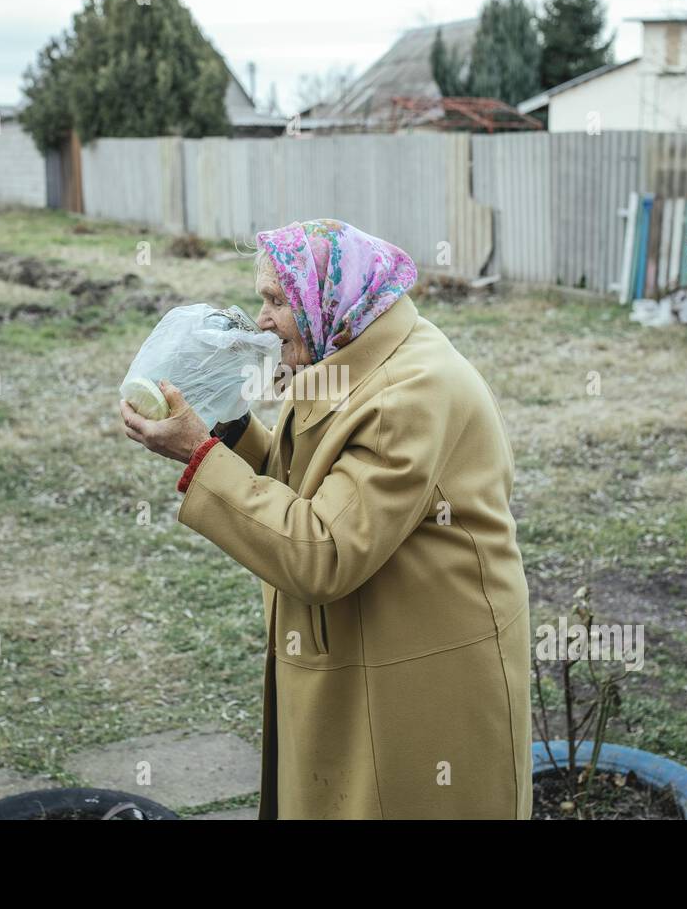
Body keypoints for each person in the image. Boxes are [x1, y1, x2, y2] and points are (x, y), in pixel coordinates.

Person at [119, 218, 532, 819]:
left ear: (329, 298)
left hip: (422, 671)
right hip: (369, 644)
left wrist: (197, 455)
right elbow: (307, 487)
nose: (261, 320)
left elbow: (323, 551)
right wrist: (227, 428)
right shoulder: (350, 356)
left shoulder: (409, 392)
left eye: (275, 301)